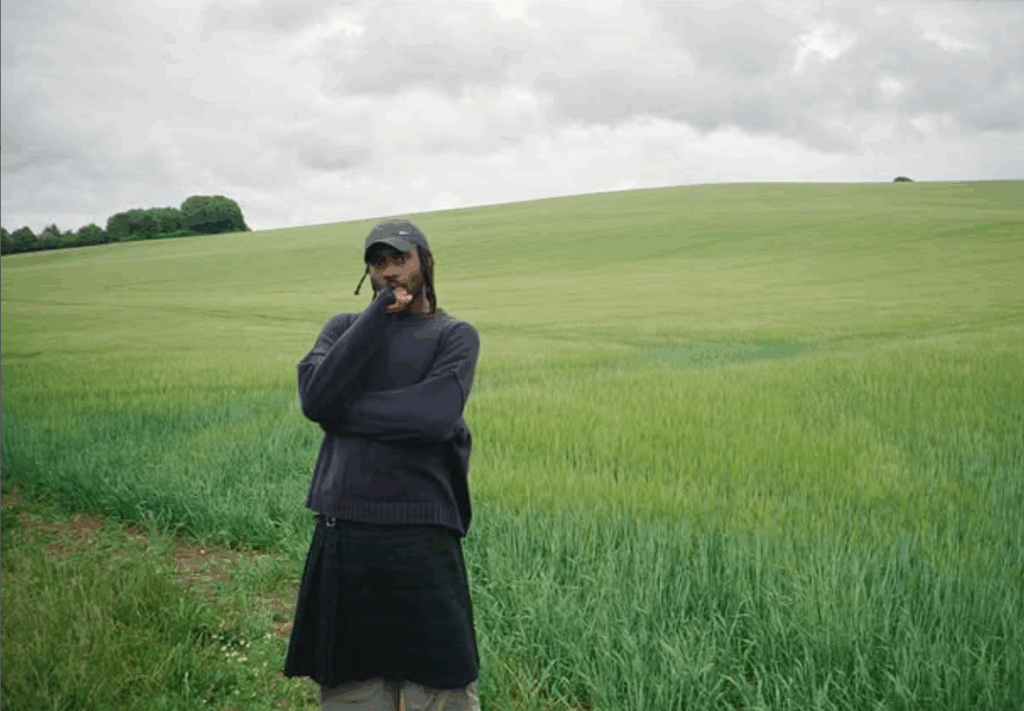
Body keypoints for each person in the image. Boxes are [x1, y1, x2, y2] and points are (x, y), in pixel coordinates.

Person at [284, 218, 483, 710]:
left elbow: (433, 416)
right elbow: (315, 398)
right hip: (345, 534)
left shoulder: (454, 335)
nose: (389, 271)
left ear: (425, 262)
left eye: (400, 259)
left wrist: (340, 412)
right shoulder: (344, 328)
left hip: (423, 536)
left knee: (440, 690)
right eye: (378, 262)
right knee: (352, 689)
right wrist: (376, 314)